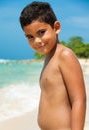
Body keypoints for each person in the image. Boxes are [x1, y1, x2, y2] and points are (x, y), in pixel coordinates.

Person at [19, 1, 86, 130]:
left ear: (56, 28)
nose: (37, 40)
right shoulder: (49, 58)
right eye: (30, 36)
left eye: (41, 32)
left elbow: (79, 100)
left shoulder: (65, 55)